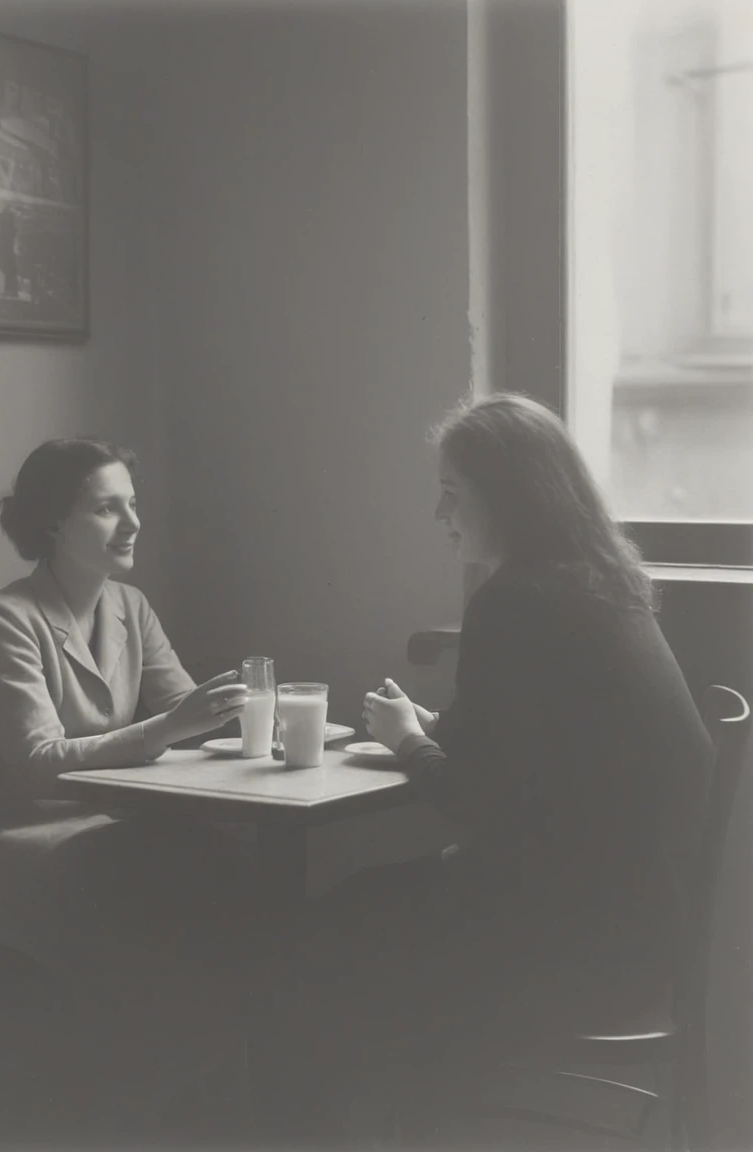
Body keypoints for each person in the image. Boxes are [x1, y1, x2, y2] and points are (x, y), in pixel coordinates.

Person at [259, 393, 713, 1147]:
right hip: (639, 934)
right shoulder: (602, 585)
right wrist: (431, 728)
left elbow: (476, 800)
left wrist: (410, 742)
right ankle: (403, 1109)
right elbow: (541, 753)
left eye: (452, 494)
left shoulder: (516, 599)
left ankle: (334, 1123)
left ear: (505, 497)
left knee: (331, 927)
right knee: (370, 911)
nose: (442, 516)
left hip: (568, 948)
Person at [0, 437, 257, 1136]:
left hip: (103, 831)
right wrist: (170, 727)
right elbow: (36, 761)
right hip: (10, 841)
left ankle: (212, 1089)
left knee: (226, 872)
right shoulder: (6, 618)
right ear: (53, 523)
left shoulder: (130, 607)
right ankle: (139, 1109)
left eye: (132, 504)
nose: (133, 524)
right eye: (108, 509)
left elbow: (189, 714)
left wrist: (261, 718)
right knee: (157, 901)